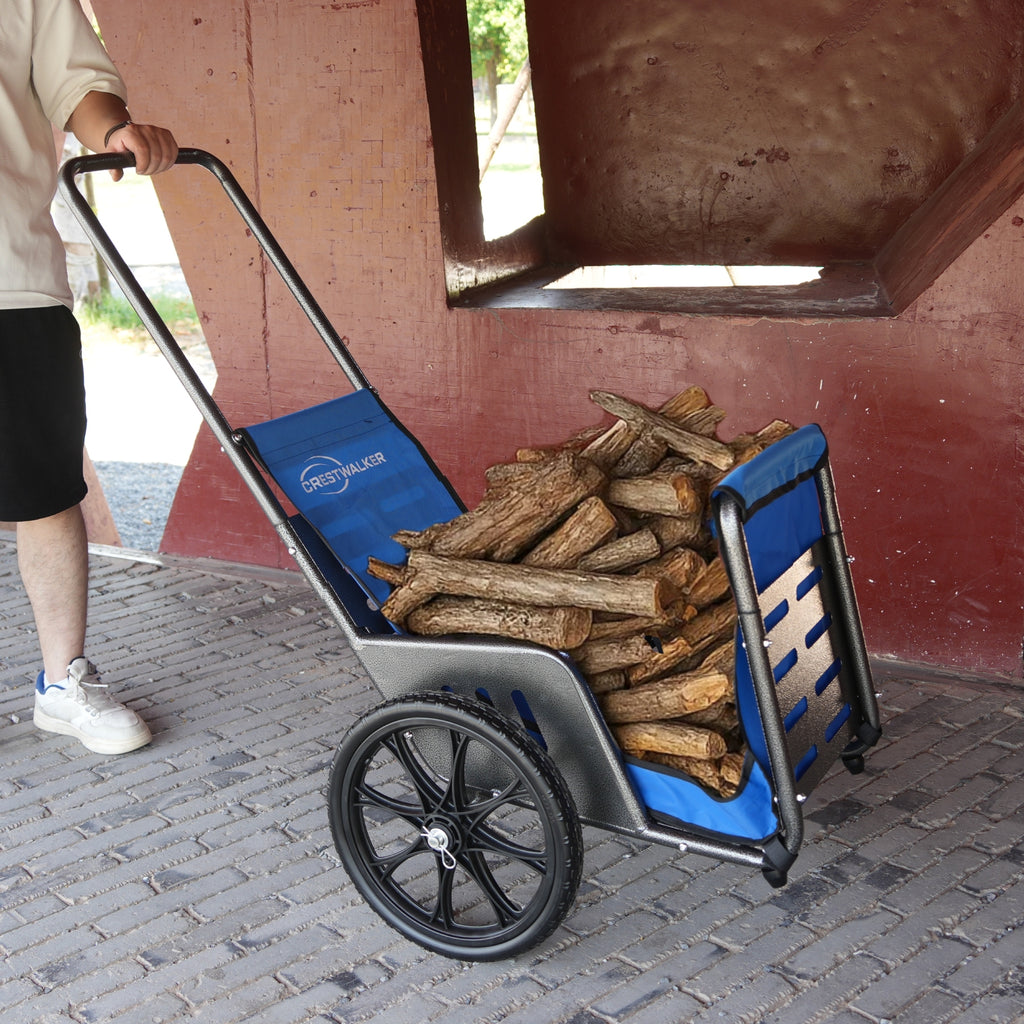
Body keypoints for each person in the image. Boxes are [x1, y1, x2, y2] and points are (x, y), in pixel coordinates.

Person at [1, 0, 178, 754]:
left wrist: (114, 130)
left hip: (10, 273)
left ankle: (61, 684)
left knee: (44, 489)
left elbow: (76, 82)